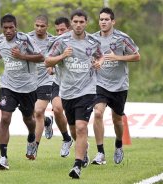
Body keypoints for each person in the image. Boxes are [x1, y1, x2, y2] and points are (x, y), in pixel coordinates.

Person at [45, 10, 104, 179]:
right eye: (75, 22)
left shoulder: (93, 41)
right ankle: (83, 150)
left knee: (81, 127)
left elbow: (101, 57)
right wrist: (63, 55)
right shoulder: (61, 41)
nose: (78, 25)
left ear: (86, 23)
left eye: (81, 22)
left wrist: (98, 63)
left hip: (87, 90)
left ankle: (77, 166)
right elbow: (47, 61)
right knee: (73, 130)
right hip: (67, 91)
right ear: (71, 23)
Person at [0, 14, 43, 170]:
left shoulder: (25, 39)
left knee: (28, 119)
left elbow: (41, 57)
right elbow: (1, 52)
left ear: (16, 27)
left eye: (11, 27)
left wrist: (22, 56)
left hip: (28, 87)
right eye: (5, 28)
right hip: (8, 85)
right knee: (5, 118)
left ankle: (32, 136)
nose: (8, 31)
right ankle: (3, 157)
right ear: (2, 28)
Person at [91, 7, 140, 165]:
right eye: (101, 19)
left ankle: (119, 145)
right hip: (100, 83)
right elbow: (89, 58)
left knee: (117, 119)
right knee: (98, 113)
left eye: (106, 19)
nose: (103, 22)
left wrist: (116, 57)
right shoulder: (92, 39)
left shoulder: (122, 38)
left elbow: (136, 56)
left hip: (119, 85)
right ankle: (100, 153)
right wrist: (95, 63)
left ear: (113, 21)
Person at [27, 15, 54, 157]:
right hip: (29, 82)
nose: (39, 28)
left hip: (46, 81)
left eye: (42, 26)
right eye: (37, 25)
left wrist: (53, 67)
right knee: (30, 114)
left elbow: (59, 57)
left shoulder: (53, 41)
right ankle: (48, 121)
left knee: (38, 111)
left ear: (47, 27)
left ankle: (34, 147)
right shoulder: (27, 38)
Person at [49, 16, 73, 158]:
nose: (59, 33)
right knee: (57, 109)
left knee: (77, 124)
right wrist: (51, 66)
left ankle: (83, 149)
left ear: (69, 29)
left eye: (62, 30)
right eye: (57, 30)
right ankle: (66, 139)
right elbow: (49, 59)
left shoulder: (81, 42)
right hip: (59, 83)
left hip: (78, 86)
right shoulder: (56, 43)